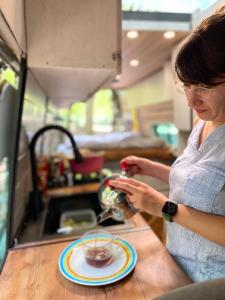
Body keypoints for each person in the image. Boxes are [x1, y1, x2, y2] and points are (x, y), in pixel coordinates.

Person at [109, 5, 225, 282]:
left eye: (203, 88)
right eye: (185, 86)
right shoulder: (203, 123)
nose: (190, 101)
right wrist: (151, 168)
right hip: (176, 261)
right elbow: (198, 183)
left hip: (212, 282)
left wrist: (164, 208)